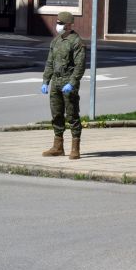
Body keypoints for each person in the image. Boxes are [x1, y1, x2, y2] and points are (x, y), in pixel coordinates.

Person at [41, 11, 86, 160]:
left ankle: (75, 148)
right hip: (56, 81)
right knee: (57, 114)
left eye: (60, 23)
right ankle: (58, 147)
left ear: (68, 25)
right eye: (57, 22)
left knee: (72, 114)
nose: (57, 25)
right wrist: (46, 81)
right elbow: (49, 62)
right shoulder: (56, 41)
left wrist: (72, 83)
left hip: (68, 82)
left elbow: (80, 66)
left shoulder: (76, 42)